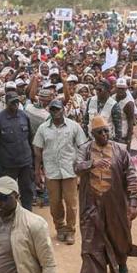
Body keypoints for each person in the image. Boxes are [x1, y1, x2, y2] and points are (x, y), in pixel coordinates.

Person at [74, 115, 137, 273]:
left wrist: (133, 203)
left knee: (119, 235)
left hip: (115, 203)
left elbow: (131, 177)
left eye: (106, 130)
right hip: (91, 203)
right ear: (93, 134)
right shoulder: (85, 150)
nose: (104, 134)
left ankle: (121, 263)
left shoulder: (120, 150)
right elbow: (76, 167)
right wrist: (92, 164)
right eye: (100, 132)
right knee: (90, 241)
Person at [33, 99, 87, 245]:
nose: (55, 112)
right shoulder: (43, 128)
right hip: (51, 171)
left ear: (63, 109)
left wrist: (79, 163)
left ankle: (70, 231)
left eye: (58, 109)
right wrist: (37, 171)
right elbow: (38, 150)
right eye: (52, 110)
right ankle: (60, 228)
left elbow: (83, 146)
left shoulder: (74, 126)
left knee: (71, 203)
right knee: (55, 203)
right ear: (49, 111)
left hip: (70, 170)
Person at [0, 92, 35, 210]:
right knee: (7, 192)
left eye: (16, 101)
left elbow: (30, 138)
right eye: (12, 102)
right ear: (6, 103)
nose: (15, 104)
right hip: (8, 163)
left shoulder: (24, 116)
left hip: (25, 161)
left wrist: (33, 160)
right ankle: (9, 214)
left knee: (27, 190)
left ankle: (27, 214)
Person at [113, 78, 136, 150]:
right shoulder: (112, 98)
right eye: (119, 88)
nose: (120, 90)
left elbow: (131, 121)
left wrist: (128, 140)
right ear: (116, 88)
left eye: (122, 89)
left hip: (123, 133)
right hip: (112, 132)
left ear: (126, 89)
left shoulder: (129, 103)